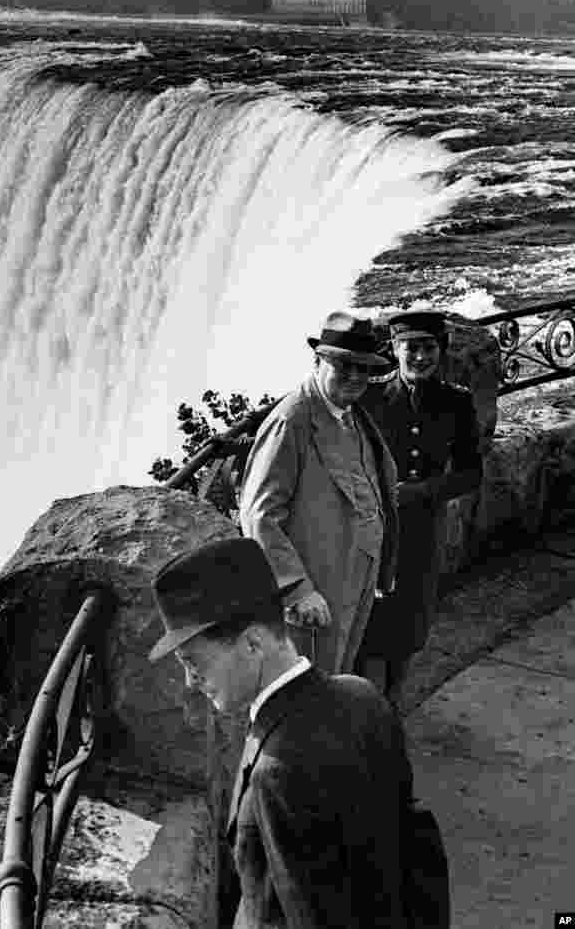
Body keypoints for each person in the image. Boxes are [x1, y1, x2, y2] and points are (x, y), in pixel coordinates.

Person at [148, 536, 416, 929]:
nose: (191, 682)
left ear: (253, 643)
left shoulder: (277, 773)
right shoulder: (363, 696)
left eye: (193, 661)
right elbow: (413, 854)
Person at [238, 311, 399, 673]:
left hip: (356, 580)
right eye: (344, 365)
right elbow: (259, 514)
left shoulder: (350, 412)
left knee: (337, 672)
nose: (356, 376)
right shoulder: (292, 419)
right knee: (306, 686)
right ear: (318, 361)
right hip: (316, 589)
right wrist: (296, 589)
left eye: (364, 368)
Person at [356, 309, 483, 701]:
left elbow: (470, 474)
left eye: (429, 348)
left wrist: (421, 491)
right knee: (363, 624)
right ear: (395, 350)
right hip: (371, 530)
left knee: (406, 628)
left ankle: (391, 708)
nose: (420, 357)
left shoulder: (456, 403)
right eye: (411, 348)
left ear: (441, 350)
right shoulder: (370, 396)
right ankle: (359, 709)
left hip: (421, 534)